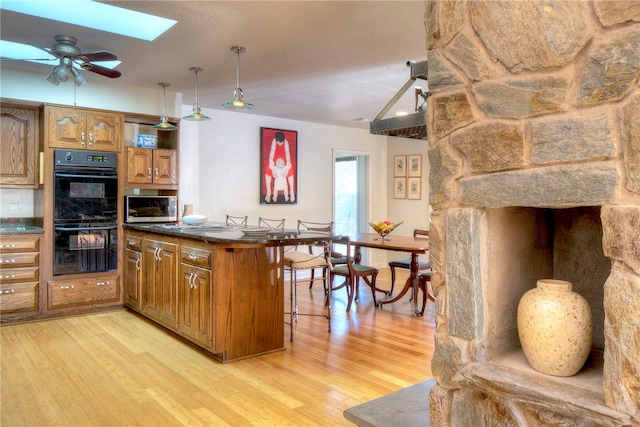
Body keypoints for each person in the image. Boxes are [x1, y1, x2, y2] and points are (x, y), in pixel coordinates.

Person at [264, 131, 295, 203]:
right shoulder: (274, 141)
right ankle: (269, 192)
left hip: (283, 160)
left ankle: (292, 191)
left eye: (282, 142)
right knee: (268, 169)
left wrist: (287, 167)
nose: (280, 143)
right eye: (279, 142)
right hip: (275, 160)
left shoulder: (286, 142)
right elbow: (271, 155)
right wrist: (272, 166)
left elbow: (288, 155)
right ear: (276, 139)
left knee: (290, 168)